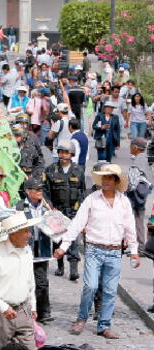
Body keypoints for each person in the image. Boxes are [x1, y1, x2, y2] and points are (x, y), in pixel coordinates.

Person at [56, 164, 140, 339]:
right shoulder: (92, 199)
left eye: (109, 178)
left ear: (116, 181)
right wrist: (64, 246)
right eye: (104, 178)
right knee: (91, 286)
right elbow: (77, 223)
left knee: (110, 291)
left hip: (115, 252)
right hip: (94, 250)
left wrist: (134, 251)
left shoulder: (124, 202)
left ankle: (104, 325)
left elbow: (131, 228)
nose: (106, 181)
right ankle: (81, 318)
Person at [0, 211, 39, 350]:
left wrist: (33, 306)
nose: (29, 235)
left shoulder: (27, 251)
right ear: (13, 233)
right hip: (1, 315)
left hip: (24, 310)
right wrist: (3, 307)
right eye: (25, 231)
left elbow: (30, 282)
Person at [42, 140, 86, 280]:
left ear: (71, 154)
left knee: (73, 240)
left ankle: (73, 269)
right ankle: (60, 266)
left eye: (66, 152)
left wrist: (80, 209)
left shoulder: (78, 170)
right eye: (61, 152)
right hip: (57, 210)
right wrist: (50, 206)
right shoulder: (50, 170)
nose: (63, 155)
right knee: (58, 240)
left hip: (73, 210)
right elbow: (45, 191)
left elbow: (82, 191)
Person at [15, 179, 54, 323]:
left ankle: (44, 312)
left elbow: (56, 226)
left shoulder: (47, 205)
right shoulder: (19, 207)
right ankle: (25, 311)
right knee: (24, 281)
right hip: (25, 248)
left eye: (41, 189)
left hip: (42, 247)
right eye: (36, 189)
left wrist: (55, 216)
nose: (40, 192)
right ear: (27, 191)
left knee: (42, 281)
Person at [127, 138, 154, 250]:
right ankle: (141, 245)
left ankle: (138, 245)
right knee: (139, 220)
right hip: (143, 195)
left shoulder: (137, 161)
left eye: (131, 146)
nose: (130, 148)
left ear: (135, 148)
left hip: (135, 197)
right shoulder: (146, 159)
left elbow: (132, 183)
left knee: (133, 220)